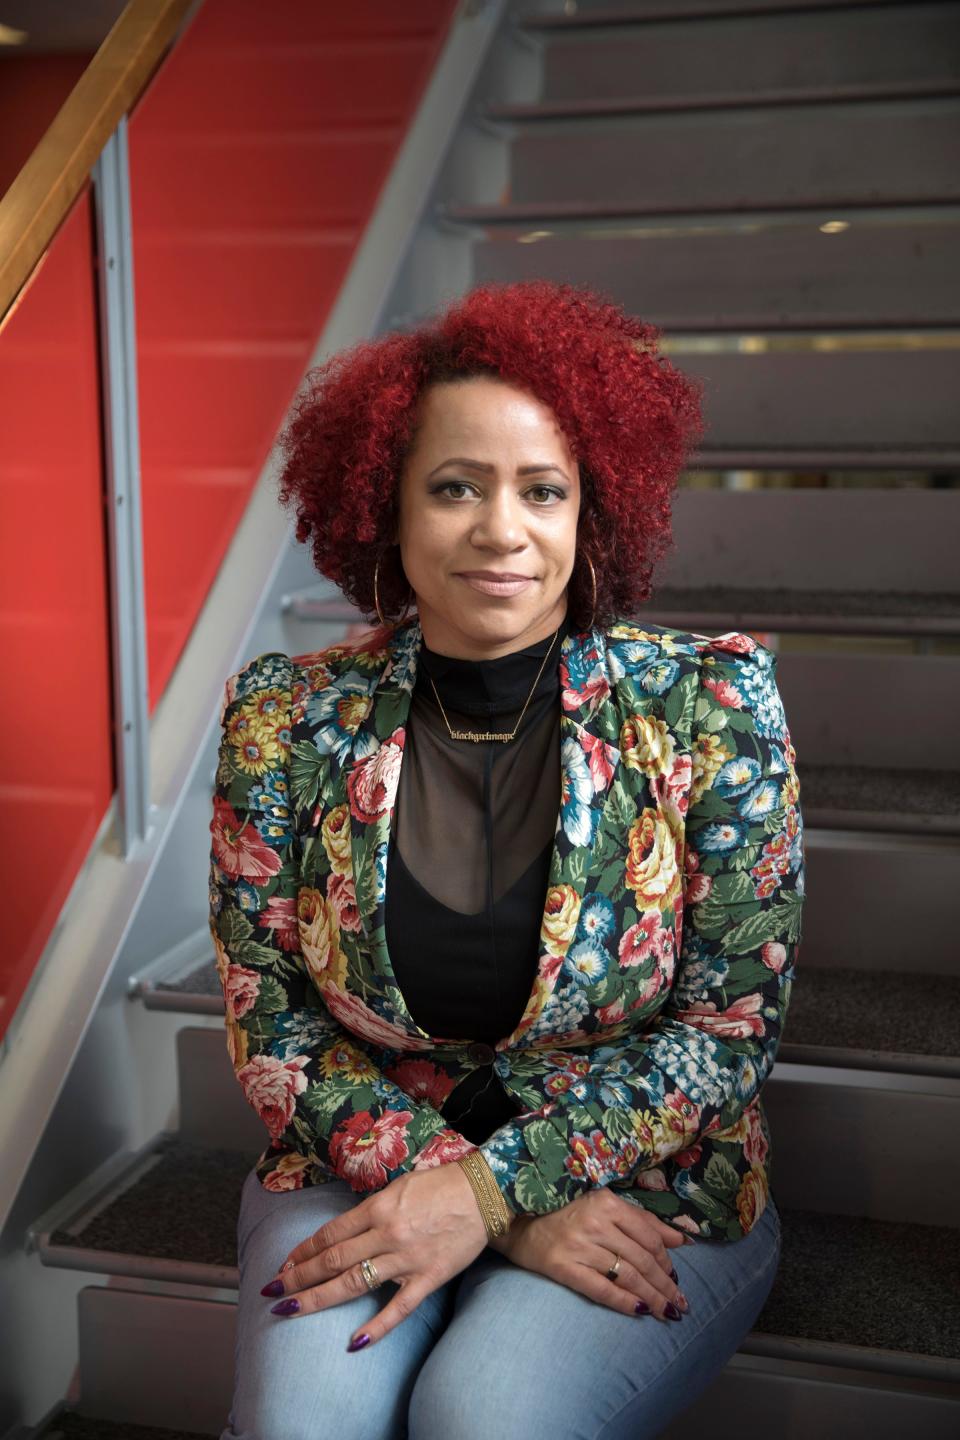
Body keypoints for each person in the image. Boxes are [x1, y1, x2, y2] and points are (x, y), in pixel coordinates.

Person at [208, 280, 804, 1440]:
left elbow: (728, 1028)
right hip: (361, 1153)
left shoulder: (708, 706)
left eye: (542, 490)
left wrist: (492, 1192)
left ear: (594, 512)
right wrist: (478, 1203)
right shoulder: (285, 718)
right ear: (385, 508)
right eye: (454, 488)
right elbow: (269, 1018)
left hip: (639, 1188)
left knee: (485, 1420)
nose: (500, 529)